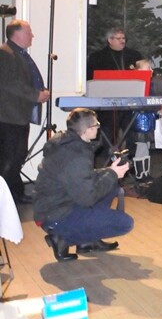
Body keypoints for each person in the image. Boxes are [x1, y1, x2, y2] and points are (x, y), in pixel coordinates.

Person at [32, 108, 133, 262]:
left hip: (60, 203)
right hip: (54, 214)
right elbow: (87, 198)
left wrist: (110, 171)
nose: (99, 127)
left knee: (110, 183)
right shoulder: (75, 155)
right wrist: (112, 174)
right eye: (96, 125)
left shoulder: (71, 143)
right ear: (87, 130)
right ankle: (61, 238)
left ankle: (87, 242)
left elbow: (81, 179)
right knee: (125, 223)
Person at [0, 20, 49, 204]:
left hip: (17, 115)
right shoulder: (5, 53)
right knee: (9, 159)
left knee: (16, 157)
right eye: (29, 32)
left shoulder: (16, 53)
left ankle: (14, 194)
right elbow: (10, 83)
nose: (32, 35)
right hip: (9, 116)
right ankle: (10, 198)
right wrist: (37, 95)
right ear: (17, 34)